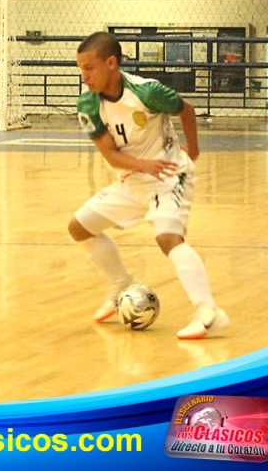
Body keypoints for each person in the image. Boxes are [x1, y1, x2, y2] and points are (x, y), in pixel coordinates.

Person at [68, 31, 229, 340]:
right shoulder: (88, 105)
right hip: (132, 180)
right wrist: (143, 166)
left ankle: (209, 311)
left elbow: (187, 110)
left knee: (167, 237)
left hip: (168, 177)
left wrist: (192, 152)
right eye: (81, 69)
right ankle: (122, 284)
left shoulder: (147, 92)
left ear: (111, 63)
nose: (84, 76)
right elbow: (112, 156)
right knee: (79, 228)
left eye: (89, 68)